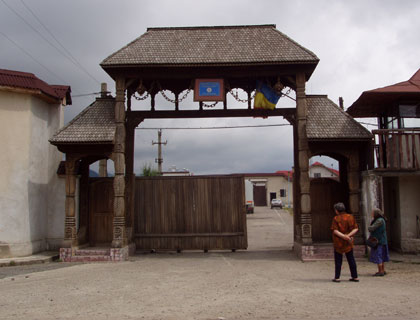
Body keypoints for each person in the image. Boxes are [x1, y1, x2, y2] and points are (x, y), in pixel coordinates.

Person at [330, 202, 359, 282]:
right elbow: (355, 228)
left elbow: (335, 230)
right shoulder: (351, 217)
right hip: (348, 241)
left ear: (336, 210)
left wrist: (343, 236)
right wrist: (348, 236)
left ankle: (337, 277)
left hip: (338, 242)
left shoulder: (336, 219)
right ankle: (355, 276)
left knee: (338, 260)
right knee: (351, 259)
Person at [368, 208, 389, 276]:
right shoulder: (381, 220)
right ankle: (382, 270)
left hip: (379, 241)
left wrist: (369, 228)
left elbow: (372, 228)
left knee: (379, 256)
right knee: (381, 256)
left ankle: (380, 271)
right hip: (382, 240)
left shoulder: (379, 220)